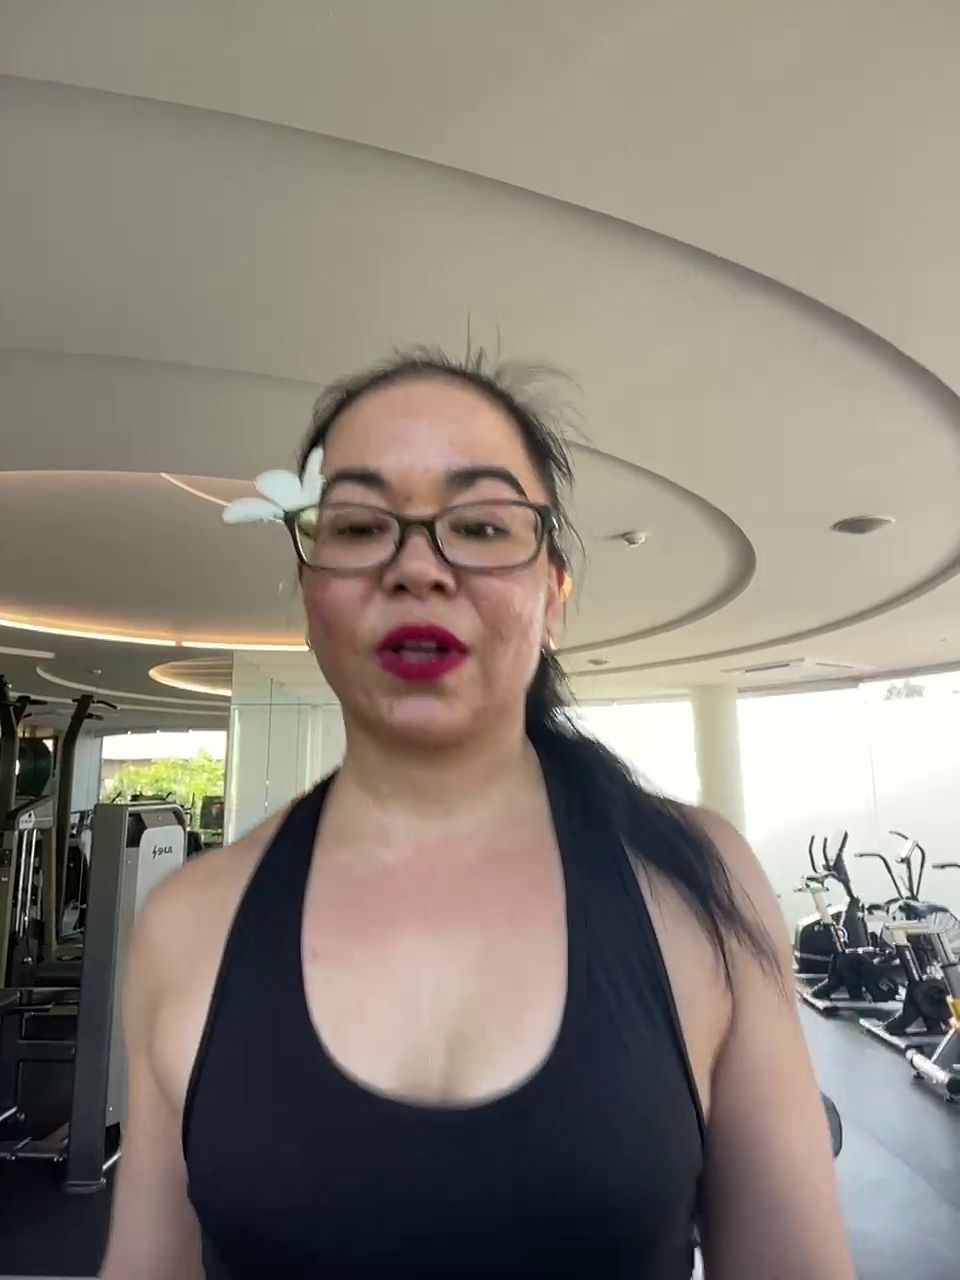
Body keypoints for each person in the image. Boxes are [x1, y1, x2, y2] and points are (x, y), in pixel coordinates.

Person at [101, 350, 853, 1279]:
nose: (417, 567)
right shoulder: (186, 926)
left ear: (553, 596)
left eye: (483, 525)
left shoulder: (698, 884)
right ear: (309, 595)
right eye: (360, 525)